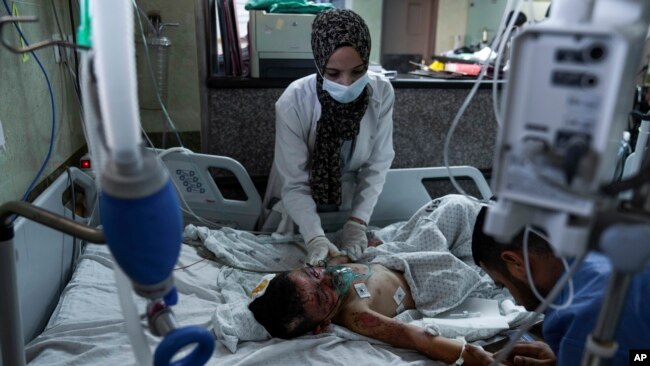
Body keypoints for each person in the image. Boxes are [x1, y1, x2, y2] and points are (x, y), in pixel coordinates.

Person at [250, 195, 515, 365]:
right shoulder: (356, 314)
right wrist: (470, 356)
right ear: (322, 325)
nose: (328, 280)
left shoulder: (329, 268)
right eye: (323, 296)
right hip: (427, 276)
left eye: (314, 274)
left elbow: (350, 254)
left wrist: (359, 246)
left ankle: (493, 209)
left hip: (407, 249)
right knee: (490, 255)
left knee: (454, 207)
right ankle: (503, 218)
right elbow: (415, 337)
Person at [258, 8, 395, 266]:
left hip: (348, 204)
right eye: (333, 73)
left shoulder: (381, 92)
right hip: (296, 210)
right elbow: (295, 183)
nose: (346, 83)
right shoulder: (293, 101)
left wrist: (357, 223)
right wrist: (314, 238)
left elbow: (378, 163)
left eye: (358, 71)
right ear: (319, 63)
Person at [467, 206, 650, 365]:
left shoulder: (584, 314)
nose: (514, 300)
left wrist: (577, 352)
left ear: (516, 263)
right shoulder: (616, 251)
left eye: (502, 284)